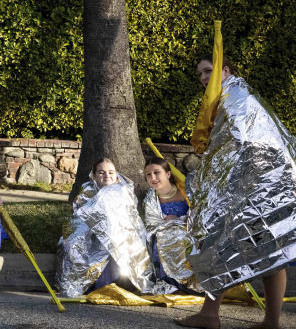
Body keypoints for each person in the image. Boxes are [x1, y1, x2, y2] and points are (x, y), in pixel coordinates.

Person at [176, 53, 295, 329]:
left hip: (261, 185)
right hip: (265, 183)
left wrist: (211, 184)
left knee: (224, 242)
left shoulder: (234, 98)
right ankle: (261, 320)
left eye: (208, 71)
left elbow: (238, 144)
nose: (204, 78)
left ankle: (217, 316)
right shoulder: (233, 95)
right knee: (266, 248)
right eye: (201, 74)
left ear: (225, 69)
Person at [56, 158, 157, 297]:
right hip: (91, 235)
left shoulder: (123, 190)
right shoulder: (87, 190)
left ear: (116, 174)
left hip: (120, 234)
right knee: (74, 244)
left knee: (118, 246)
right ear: (95, 175)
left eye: (110, 172)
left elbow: (131, 216)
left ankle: (122, 283)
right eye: (101, 172)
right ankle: (97, 284)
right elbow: (80, 215)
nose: (106, 176)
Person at [142, 158, 198, 293]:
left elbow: (197, 213)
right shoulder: (150, 198)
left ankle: (188, 283)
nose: (153, 177)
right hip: (163, 235)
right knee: (167, 238)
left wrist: (179, 220)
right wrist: (169, 224)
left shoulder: (184, 190)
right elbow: (151, 223)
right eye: (148, 174)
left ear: (168, 174)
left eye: (157, 172)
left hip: (188, 231)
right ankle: (170, 282)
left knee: (182, 239)